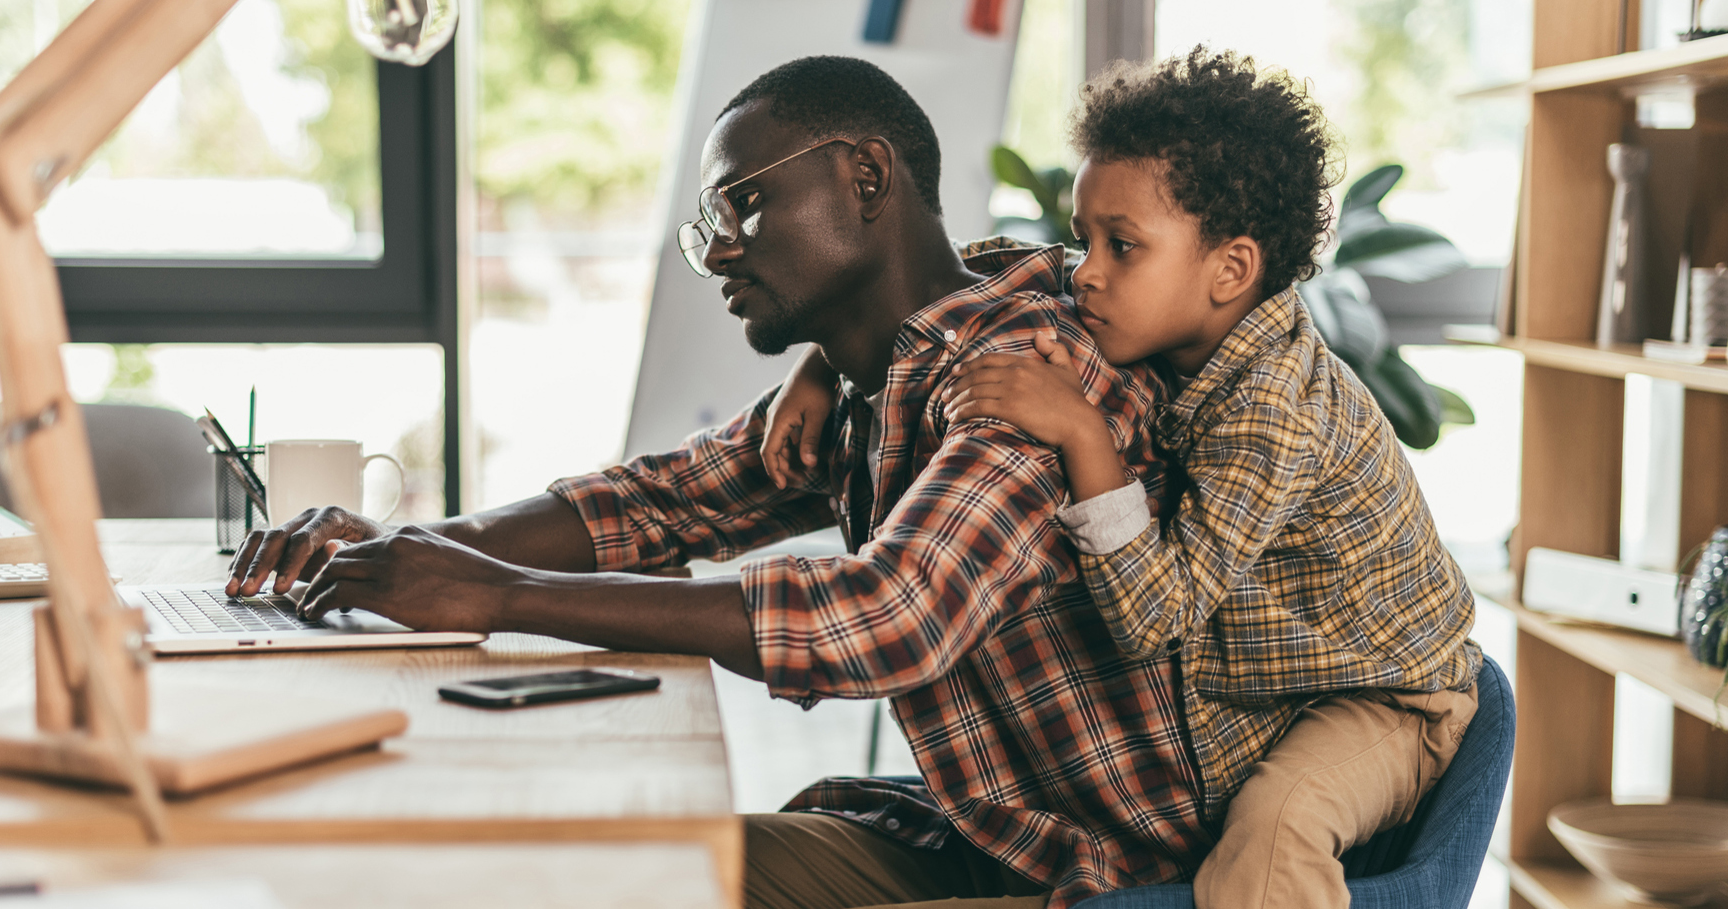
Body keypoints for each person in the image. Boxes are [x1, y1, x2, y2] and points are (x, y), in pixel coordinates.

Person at [229, 56, 1209, 909]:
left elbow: (889, 617)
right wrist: (406, 552)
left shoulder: (1028, 369)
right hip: (978, 838)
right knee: (590, 866)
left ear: (865, 175)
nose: (721, 251)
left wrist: (492, 597)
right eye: (714, 221)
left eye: (744, 202)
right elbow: (657, 500)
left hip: (1102, 876)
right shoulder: (876, 381)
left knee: (610, 880)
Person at [760, 48, 1483, 909]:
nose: (1086, 271)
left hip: (1384, 699)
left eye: (1122, 246)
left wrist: (1078, 429)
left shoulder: (1271, 412)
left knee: (1275, 827)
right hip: (1279, 678)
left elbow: (1157, 615)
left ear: (1231, 269)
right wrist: (827, 362)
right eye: (1084, 237)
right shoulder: (1160, 313)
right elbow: (985, 275)